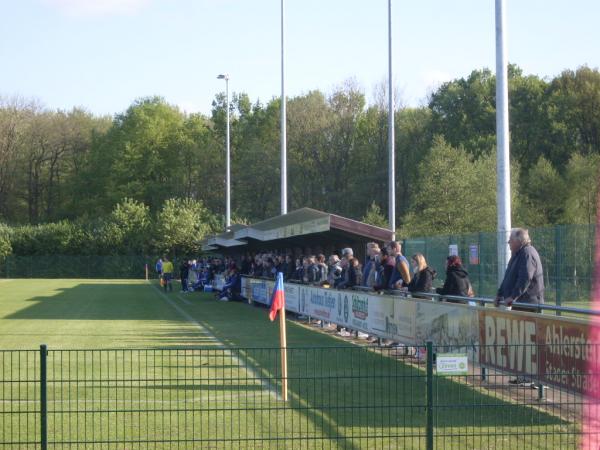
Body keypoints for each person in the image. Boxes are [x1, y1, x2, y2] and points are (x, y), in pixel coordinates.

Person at [495, 228, 544, 312]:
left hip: (529, 305)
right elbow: (508, 277)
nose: (508, 242)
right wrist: (499, 294)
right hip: (520, 303)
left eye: (511, 240)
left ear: (519, 241)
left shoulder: (527, 253)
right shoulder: (517, 255)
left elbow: (525, 278)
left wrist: (513, 297)